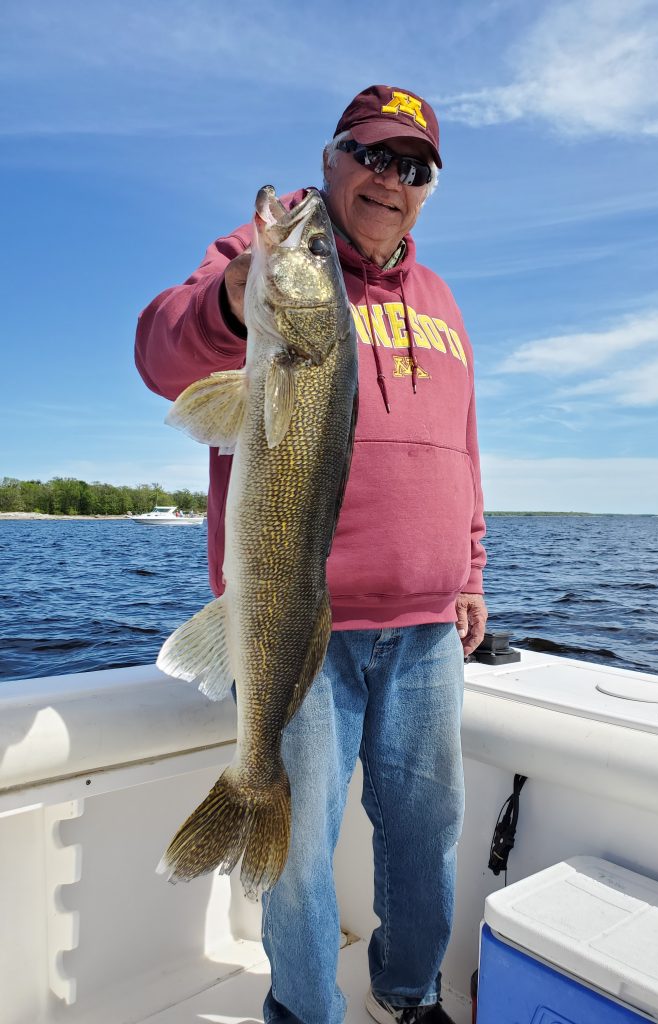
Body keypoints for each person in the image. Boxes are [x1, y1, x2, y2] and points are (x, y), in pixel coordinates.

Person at [135, 84, 487, 1024]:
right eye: (372, 155)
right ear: (332, 158)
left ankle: (408, 997)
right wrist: (235, 296)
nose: (390, 180)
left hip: (425, 632)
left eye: (414, 168)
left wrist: (471, 570)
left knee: (425, 835)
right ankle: (303, 1010)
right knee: (296, 853)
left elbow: (463, 446)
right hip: (300, 626)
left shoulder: (442, 298)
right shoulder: (264, 258)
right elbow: (162, 354)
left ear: (428, 190)